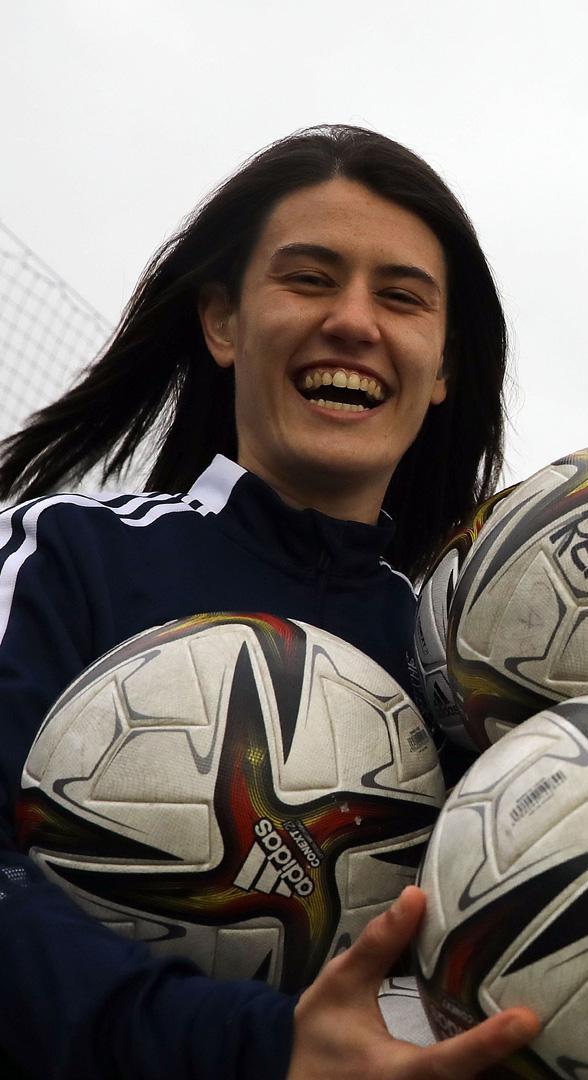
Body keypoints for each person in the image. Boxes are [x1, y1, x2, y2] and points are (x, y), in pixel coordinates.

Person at [0, 125, 537, 1079]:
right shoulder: (60, 558)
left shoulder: (468, 679)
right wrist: (255, 1049)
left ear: (445, 365)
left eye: (402, 297)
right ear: (223, 322)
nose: (355, 322)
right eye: (309, 278)